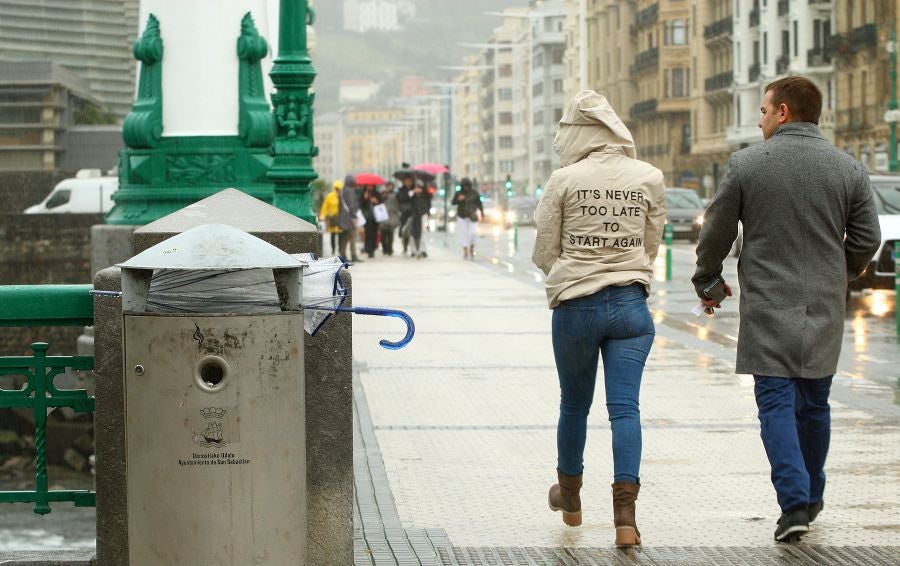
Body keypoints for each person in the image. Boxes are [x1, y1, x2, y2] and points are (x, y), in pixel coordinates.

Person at [692, 76, 881, 542]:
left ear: (783, 113)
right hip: (823, 305)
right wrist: (844, 272)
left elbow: (716, 230)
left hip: (767, 306)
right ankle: (812, 495)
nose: (758, 120)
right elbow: (867, 239)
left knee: (775, 401)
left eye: (762, 111)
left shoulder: (746, 165)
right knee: (814, 403)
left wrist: (708, 280)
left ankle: (794, 501)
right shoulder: (848, 169)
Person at [532, 90, 666, 546]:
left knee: (574, 405)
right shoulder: (649, 177)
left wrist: (570, 275)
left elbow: (544, 248)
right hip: (631, 308)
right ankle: (625, 518)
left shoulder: (564, 179)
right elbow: (652, 244)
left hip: (577, 307)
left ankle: (570, 495)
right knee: (625, 409)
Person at [451, 177, 483, 259]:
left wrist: (482, 214)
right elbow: (453, 202)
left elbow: (479, 204)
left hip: (472, 216)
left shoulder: (474, 193)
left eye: (467, 186)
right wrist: (458, 199)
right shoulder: (458, 193)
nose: (465, 188)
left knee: (473, 233)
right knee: (464, 234)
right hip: (462, 216)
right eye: (464, 186)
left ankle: (472, 247)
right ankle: (465, 251)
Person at [337, 175, 363, 262]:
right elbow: (351, 205)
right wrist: (354, 216)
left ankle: (343, 255)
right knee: (352, 237)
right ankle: (354, 255)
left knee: (344, 237)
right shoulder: (351, 191)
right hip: (349, 218)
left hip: (342, 218)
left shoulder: (342, 191)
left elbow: (340, 205)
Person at [319, 180, 343, 256]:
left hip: (341, 218)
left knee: (341, 236)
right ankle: (333, 250)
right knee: (332, 235)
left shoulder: (342, 197)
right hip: (333, 219)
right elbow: (325, 207)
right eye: (336, 188)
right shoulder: (330, 196)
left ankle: (340, 250)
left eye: (338, 188)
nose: (337, 190)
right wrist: (322, 215)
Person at [359, 184, 382, 258]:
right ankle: (368, 249)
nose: (370, 187)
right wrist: (365, 198)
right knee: (367, 233)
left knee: (374, 234)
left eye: (371, 185)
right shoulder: (363, 193)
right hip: (367, 217)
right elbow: (360, 205)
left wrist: (376, 201)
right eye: (368, 185)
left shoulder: (377, 193)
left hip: (375, 217)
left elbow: (382, 203)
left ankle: (372, 249)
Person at [379, 183, 400, 256]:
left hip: (391, 219)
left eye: (386, 193)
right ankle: (385, 249)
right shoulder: (380, 199)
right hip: (383, 221)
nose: (384, 194)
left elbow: (397, 206)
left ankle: (390, 249)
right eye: (383, 193)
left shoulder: (393, 197)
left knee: (390, 235)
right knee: (383, 236)